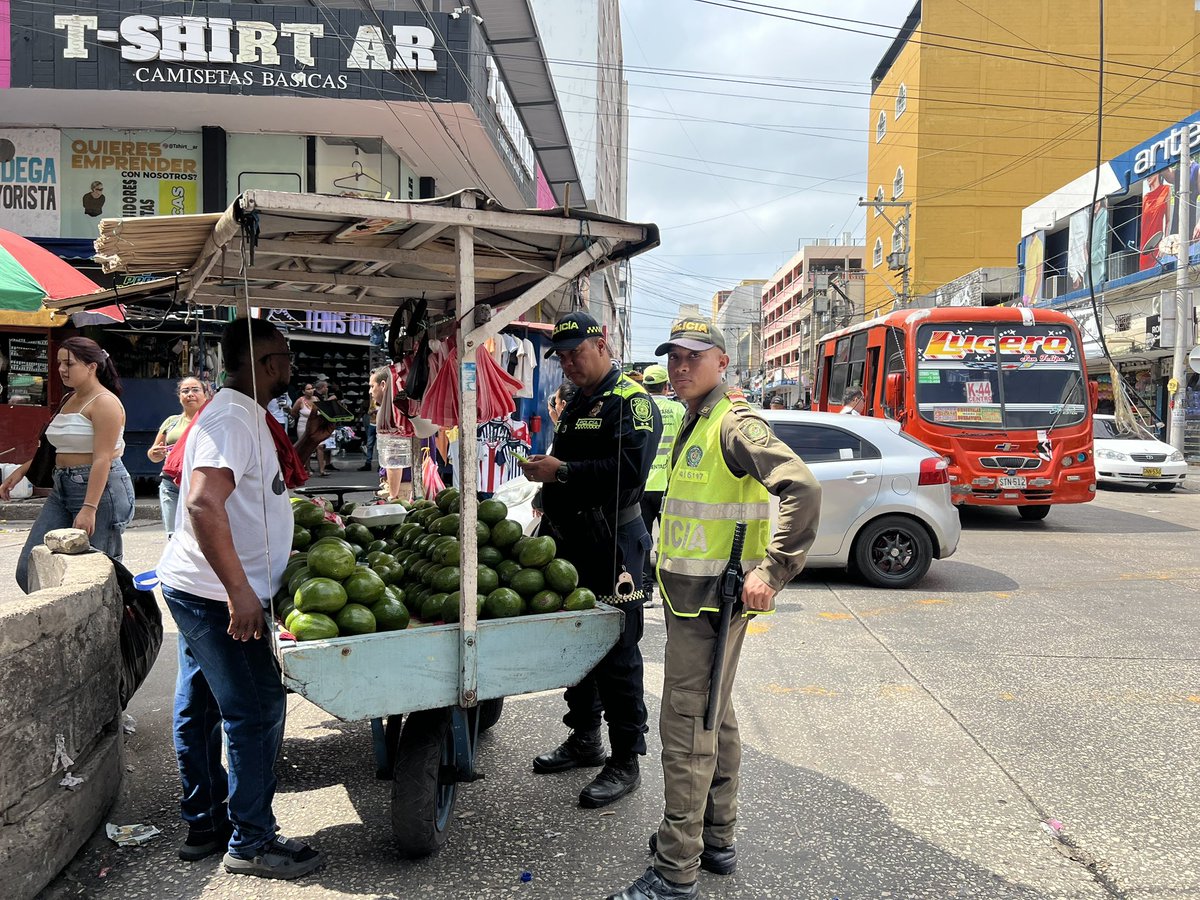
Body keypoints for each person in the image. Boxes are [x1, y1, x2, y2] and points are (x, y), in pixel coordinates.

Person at [606, 317, 821, 900]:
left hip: (711, 604)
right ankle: (717, 837)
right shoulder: (697, 420)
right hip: (692, 599)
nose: (680, 367)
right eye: (674, 357)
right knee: (715, 716)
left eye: (693, 357)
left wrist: (772, 571)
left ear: (722, 363)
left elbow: (802, 487)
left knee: (686, 727)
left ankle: (676, 868)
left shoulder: (733, 423)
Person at [157, 318, 331, 880]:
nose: (289, 365)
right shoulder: (231, 416)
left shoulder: (246, 415)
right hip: (215, 595)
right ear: (263, 363)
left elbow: (258, 490)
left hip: (204, 588)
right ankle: (251, 842)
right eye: (282, 356)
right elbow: (205, 505)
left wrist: (305, 445)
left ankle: (207, 822)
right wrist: (241, 593)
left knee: (203, 703)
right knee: (256, 709)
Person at [519, 312, 662, 809]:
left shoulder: (632, 402)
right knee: (577, 643)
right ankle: (584, 738)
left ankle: (626, 758)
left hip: (615, 544)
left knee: (618, 652)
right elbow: (568, 456)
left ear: (601, 345)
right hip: (572, 539)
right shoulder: (580, 399)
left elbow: (627, 472)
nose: (568, 363)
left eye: (576, 352)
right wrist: (546, 486)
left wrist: (562, 473)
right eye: (561, 356)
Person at [2, 337, 135, 593]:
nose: (62, 369)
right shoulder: (68, 399)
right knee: (28, 568)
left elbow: (102, 458)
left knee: (98, 575)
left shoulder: (104, 402)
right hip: (62, 485)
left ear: (92, 366)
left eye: (69, 363)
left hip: (100, 489)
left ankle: (119, 628)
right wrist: (21, 470)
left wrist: (89, 507)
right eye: (59, 362)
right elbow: (60, 449)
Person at [639, 364, 684, 606]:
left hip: (643, 484)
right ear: (666, 386)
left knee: (644, 540)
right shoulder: (678, 409)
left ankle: (646, 591)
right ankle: (672, 591)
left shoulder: (640, 407)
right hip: (669, 484)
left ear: (645, 385)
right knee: (670, 540)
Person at [148, 376, 208, 538]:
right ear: (179, 396)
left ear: (205, 395)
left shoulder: (210, 421)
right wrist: (155, 453)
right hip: (171, 485)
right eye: (185, 391)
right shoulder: (171, 422)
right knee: (174, 536)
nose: (190, 394)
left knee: (199, 536)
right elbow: (154, 454)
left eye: (195, 390)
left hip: (200, 485)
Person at [291, 384, 324, 475]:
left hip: (315, 425)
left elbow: (321, 411)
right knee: (306, 447)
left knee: (320, 446)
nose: (311, 390)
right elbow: (293, 412)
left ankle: (322, 470)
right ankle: (308, 469)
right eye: (308, 389)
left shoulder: (316, 399)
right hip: (303, 425)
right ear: (304, 391)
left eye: (312, 388)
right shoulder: (300, 401)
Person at [360, 368, 386, 471]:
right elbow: (369, 412)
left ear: (383, 385)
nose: (370, 391)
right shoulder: (373, 402)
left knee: (381, 446)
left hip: (379, 425)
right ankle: (369, 463)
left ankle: (381, 465)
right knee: (370, 444)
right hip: (373, 424)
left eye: (372, 386)